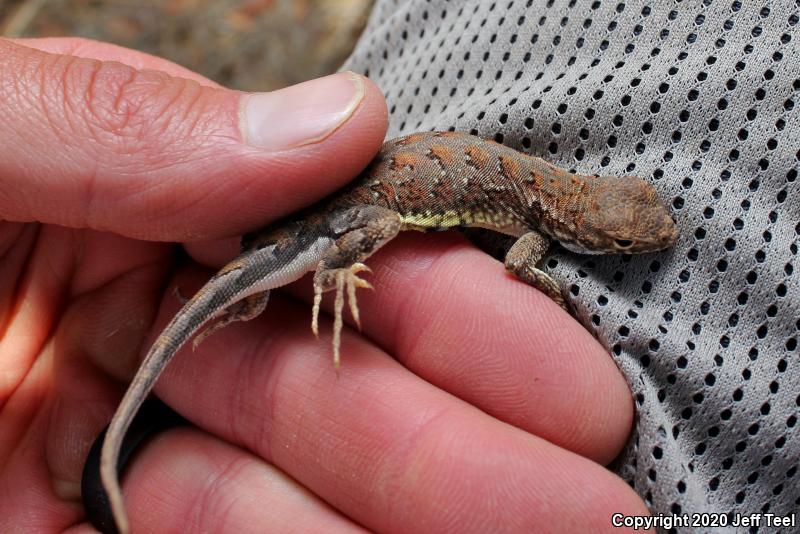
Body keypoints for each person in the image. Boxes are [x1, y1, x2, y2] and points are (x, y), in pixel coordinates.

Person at [0, 37, 649, 532]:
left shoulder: (548, 195)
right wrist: (543, 282)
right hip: (349, 214)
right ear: (587, 229)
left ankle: (263, 287)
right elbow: (517, 264)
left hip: (336, 206)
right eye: (622, 245)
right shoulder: (538, 223)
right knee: (361, 232)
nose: (630, 248)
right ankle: (324, 268)